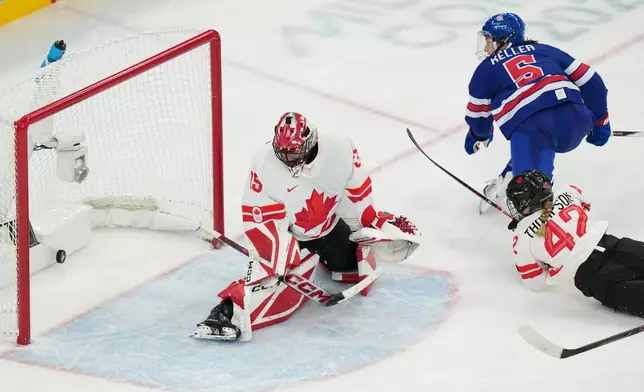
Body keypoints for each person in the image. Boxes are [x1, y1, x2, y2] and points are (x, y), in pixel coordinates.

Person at [192, 112, 422, 341]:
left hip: (329, 228)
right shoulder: (264, 161)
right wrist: (278, 258)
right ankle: (223, 313)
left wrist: (376, 226)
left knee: (349, 265)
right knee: (268, 278)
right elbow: (260, 218)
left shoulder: (340, 147)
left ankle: (319, 257)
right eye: (282, 151)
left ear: (310, 142)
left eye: (293, 151)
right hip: (290, 234)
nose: (287, 157)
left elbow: (356, 198)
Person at [463, 12, 611, 214]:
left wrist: (478, 135)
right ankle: (512, 173)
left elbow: (478, 116)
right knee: (531, 155)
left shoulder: (485, 69)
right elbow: (593, 83)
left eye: (490, 40)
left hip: (535, 131)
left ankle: (561, 215)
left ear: (505, 41)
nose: (487, 47)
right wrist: (600, 121)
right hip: (578, 118)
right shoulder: (545, 50)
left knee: (530, 196)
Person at [507, 170, 644, 317]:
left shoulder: (522, 237)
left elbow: (535, 282)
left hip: (594, 275)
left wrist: (552, 267)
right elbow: (587, 205)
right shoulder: (567, 190)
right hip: (615, 245)